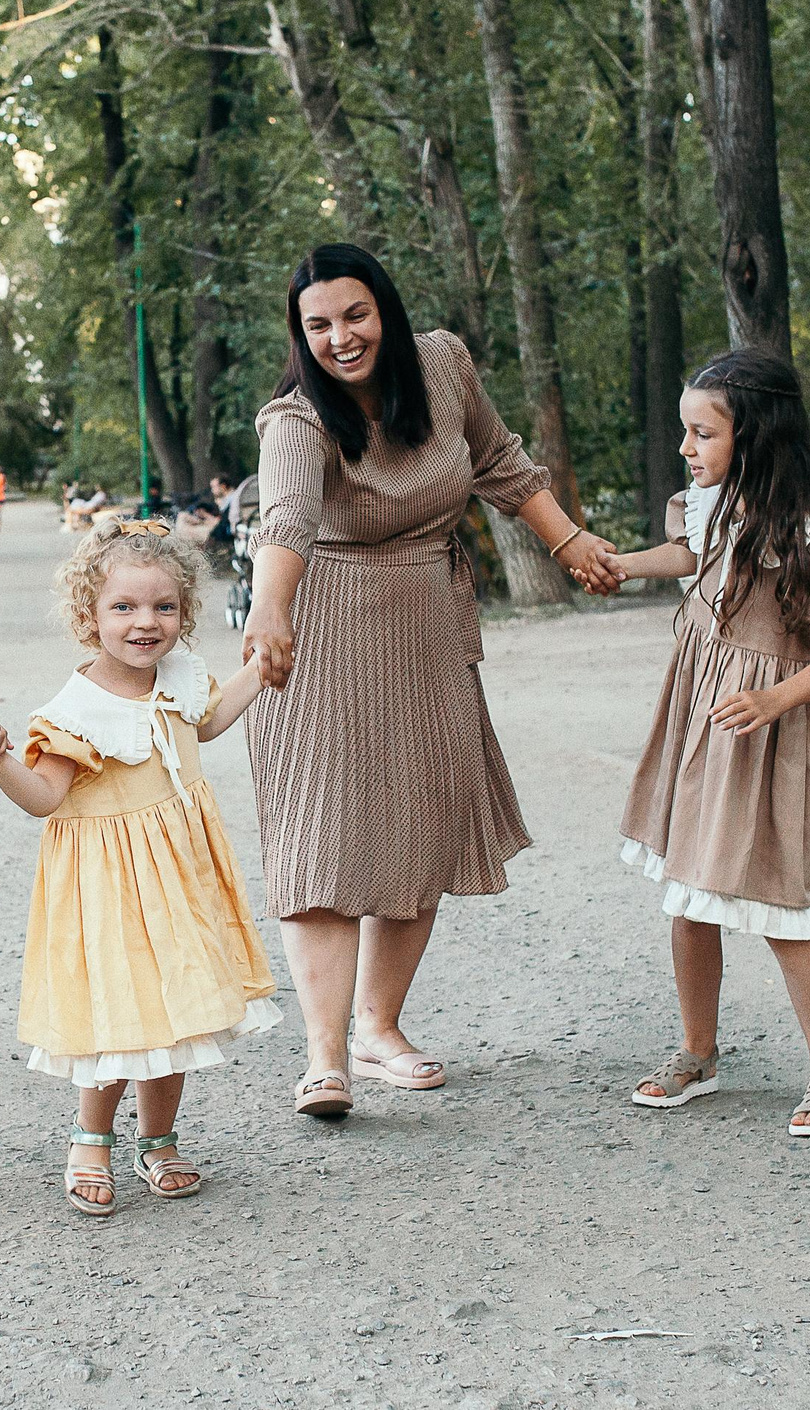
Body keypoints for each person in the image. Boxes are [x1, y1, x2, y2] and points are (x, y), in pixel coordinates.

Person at [240, 242, 614, 1120]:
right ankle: (324, 1056)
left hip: (428, 630)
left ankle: (378, 1027)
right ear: (301, 336)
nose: (341, 338)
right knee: (324, 841)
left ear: (387, 311)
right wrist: (269, 612)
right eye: (319, 325)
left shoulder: (443, 366)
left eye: (356, 315)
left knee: (418, 827)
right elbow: (287, 518)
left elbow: (502, 463)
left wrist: (572, 545)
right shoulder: (295, 421)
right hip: (320, 632)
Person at [590, 348, 810, 1138]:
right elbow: (692, 558)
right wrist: (622, 565)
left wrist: (772, 698)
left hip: (770, 732)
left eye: (702, 433)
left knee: (780, 906)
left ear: (754, 435)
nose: (686, 449)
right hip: (705, 722)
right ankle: (698, 1051)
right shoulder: (711, 502)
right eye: (686, 433)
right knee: (688, 890)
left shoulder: (804, 531)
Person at [0, 522, 278, 1214]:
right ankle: (89, 1139)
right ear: (88, 616)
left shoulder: (181, 677)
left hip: (180, 880)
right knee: (119, 1018)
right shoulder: (80, 710)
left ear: (184, 614)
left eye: (163, 607)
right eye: (123, 608)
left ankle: (158, 1138)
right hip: (112, 894)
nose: (145, 623)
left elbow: (209, 721)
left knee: (180, 1012)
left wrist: (261, 670)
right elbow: (43, 799)